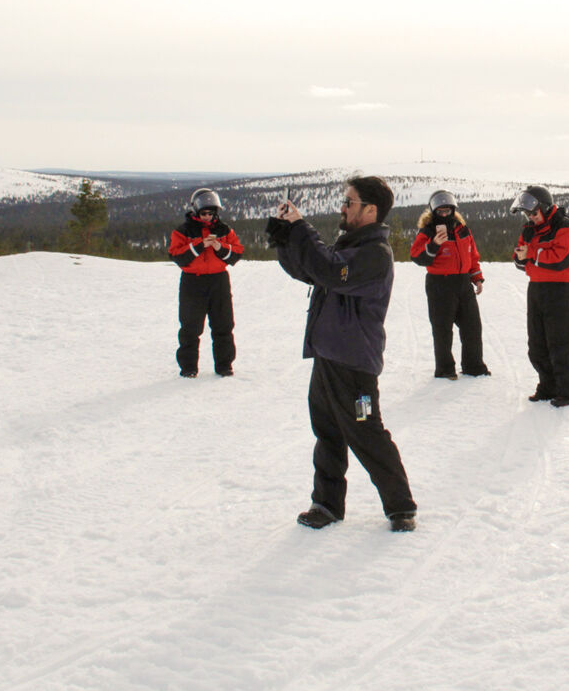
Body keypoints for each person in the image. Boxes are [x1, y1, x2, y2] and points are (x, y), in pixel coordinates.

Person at [267, 175, 418, 533]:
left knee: (366, 432)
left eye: (349, 202)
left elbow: (332, 272)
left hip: (353, 364)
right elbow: (311, 272)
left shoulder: (373, 254)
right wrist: (285, 241)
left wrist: (301, 228)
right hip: (328, 356)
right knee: (328, 433)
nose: (343, 208)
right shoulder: (350, 243)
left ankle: (400, 507)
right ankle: (327, 504)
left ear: (370, 210)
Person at [511, 185, 569, 407]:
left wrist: (531, 254)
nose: (531, 218)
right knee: (537, 343)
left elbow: (560, 259)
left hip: (559, 290)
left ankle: (568, 391)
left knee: (559, 343)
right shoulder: (529, 230)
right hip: (536, 289)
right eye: (528, 214)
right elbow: (519, 258)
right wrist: (522, 258)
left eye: (534, 213)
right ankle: (548, 385)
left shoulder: (564, 227)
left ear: (544, 207)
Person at [410, 190, 491, 380]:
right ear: (434, 211)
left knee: (472, 326)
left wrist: (476, 277)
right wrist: (433, 245)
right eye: (441, 211)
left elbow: (472, 255)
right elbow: (416, 256)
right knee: (442, 329)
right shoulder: (428, 231)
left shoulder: (462, 228)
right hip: (440, 283)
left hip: (463, 282)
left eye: (448, 211)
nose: (445, 215)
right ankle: (445, 369)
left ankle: (474, 366)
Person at [168, 188, 244, 378]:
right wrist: (200, 244)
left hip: (218, 280)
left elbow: (236, 254)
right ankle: (188, 367)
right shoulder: (183, 231)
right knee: (190, 326)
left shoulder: (224, 230)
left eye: (211, 213)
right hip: (193, 282)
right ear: (195, 211)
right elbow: (177, 256)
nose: (208, 217)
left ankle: (224, 365)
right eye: (204, 213)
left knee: (223, 324)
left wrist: (220, 246)